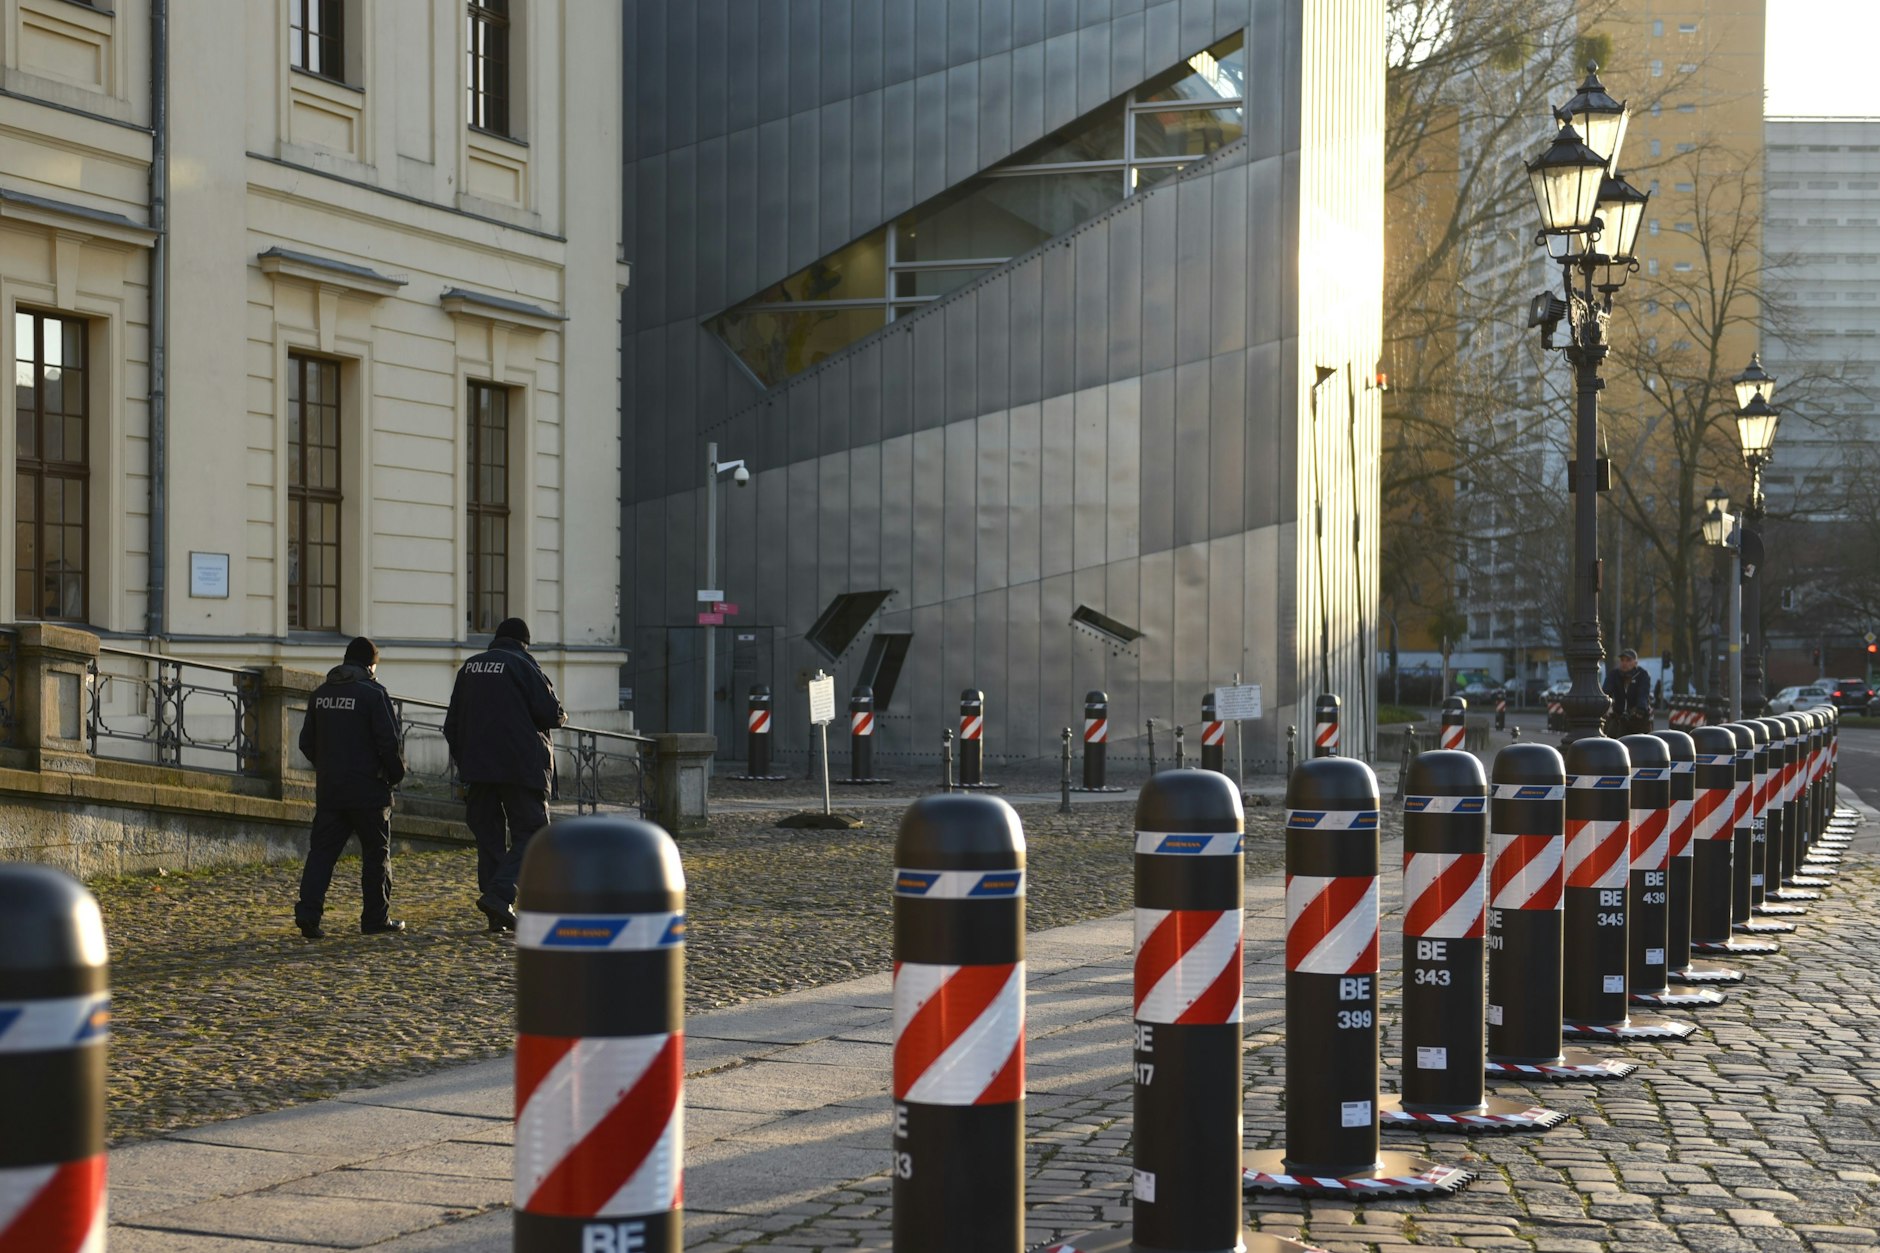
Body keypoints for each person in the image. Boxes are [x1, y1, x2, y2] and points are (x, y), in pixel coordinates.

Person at [443, 617, 566, 932]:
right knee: (534, 835)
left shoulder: (470, 667)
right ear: (524, 642)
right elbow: (550, 712)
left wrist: (466, 760)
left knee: (489, 838)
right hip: (520, 767)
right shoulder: (523, 665)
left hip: (478, 769)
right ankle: (500, 896)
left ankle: (497, 908)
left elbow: (451, 725)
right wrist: (562, 714)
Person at [294, 637, 407, 939]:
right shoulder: (373, 694)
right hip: (369, 791)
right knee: (376, 855)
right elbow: (389, 743)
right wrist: (394, 775)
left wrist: (329, 766)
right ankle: (375, 919)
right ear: (371, 665)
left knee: (322, 854)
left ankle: (308, 914)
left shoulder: (320, 695)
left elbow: (306, 742)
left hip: (331, 789)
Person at [1603, 648, 1655, 736]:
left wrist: (1640, 709)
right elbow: (1606, 691)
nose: (1624, 663)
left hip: (1637, 717)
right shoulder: (1614, 674)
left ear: (1635, 662)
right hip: (1618, 715)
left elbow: (1643, 693)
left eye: (1628, 660)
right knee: (1609, 738)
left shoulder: (1642, 675)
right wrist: (1605, 705)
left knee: (1643, 741)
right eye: (1622, 660)